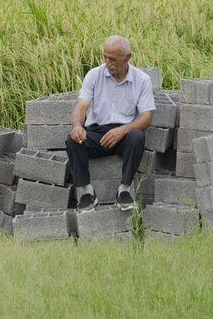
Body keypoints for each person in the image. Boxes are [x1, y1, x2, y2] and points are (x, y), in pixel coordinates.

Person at [66, 35, 155, 213]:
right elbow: (81, 108)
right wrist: (77, 126)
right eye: (105, 57)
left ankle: (124, 190)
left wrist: (123, 130)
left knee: (137, 135)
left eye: (112, 59)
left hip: (124, 136)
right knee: (73, 140)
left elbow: (146, 117)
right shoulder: (94, 75)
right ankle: (86, 193)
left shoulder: (142, 79)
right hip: (97, 134)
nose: (108, 62)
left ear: (127, 57)